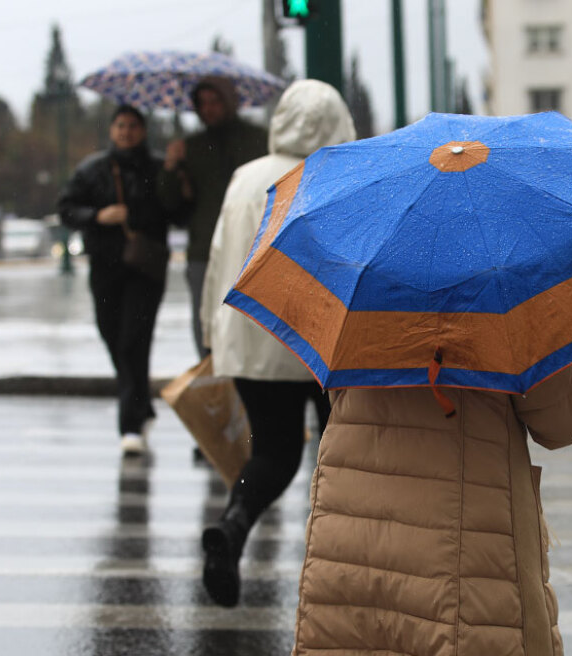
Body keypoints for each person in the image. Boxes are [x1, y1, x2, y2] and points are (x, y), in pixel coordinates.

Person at [289, 364, 572, 656]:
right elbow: (564, 423)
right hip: (465, 538)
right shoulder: (505, 313)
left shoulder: (363, 316)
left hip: (353, 518)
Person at [197, 79, 356, 608]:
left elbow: (220, 258)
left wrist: (209, 335)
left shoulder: (245, 178)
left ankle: (234, 523)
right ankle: (341, 561)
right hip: (319, 340)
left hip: (250, 334)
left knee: (273, 452)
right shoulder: (337, 175)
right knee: (343, 455)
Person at [58, 105, 175, 456]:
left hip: (145, 268)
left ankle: (130, 424)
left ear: (143, 130)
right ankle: (142, 406)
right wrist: (98, 215)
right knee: (112, 335)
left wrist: (135, 212)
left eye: (133, 126)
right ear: (112, 130)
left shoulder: (157, 169)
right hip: (105, 266)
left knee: (132, 342)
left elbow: (174, 210)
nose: (126, 132)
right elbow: (66, 208)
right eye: (120, 126)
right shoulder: (92, 169)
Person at [157, 76, 269, 359]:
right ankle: (214, 382)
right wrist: (172, 168)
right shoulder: (191, 147)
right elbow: (172, 207)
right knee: (206, 321)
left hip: (252, 247)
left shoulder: (258, 139)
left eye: (215, 101)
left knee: (252, 324)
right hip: (204, 249)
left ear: (229, 101)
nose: (208, 109)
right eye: (202, 103)